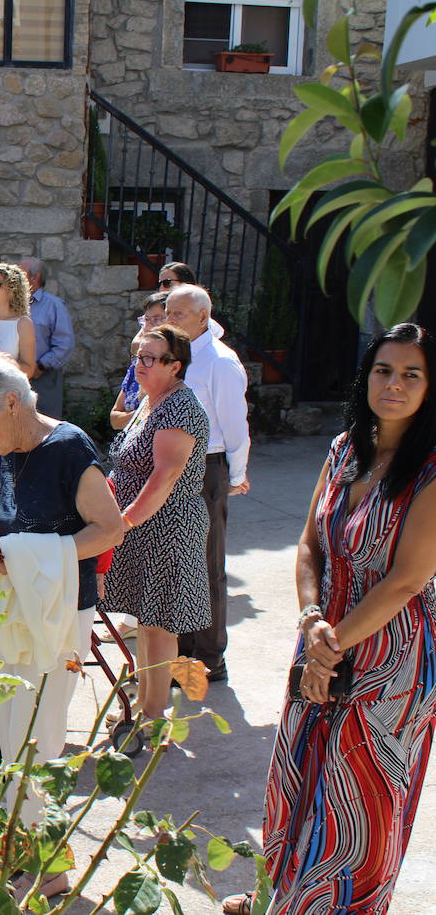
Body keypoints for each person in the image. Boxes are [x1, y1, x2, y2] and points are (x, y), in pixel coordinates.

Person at [222, 324, 436, 915]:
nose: (393, 385)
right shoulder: (345, 447)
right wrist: (312, 619)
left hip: (392, 662)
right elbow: (309, 545)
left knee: (358, 800)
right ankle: (285, 895)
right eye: (383, 371)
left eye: (411, 374)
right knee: (298, 775)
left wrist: (330, 644)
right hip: (323, 637)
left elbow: (406, 580)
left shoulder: (431, 471)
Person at [0, 351, 123, 845]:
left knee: (40, 735)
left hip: (60, 610)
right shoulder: (8, 445)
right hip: (13, 605)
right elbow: (7, 518)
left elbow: (110, 529)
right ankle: (17, 840)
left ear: (12, 402)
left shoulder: (69, 447)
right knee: (10, 729)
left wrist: (35, 556)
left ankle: (42, 853)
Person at [101, 325, 210, 720]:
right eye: (137, 356)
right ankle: (147, 706)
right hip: (142, 527)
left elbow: (163, 478)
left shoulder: (178, 408)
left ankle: (152, 716)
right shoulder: (150, 401)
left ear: (175, 365)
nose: (139, 364)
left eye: (149, 358)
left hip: (167, 528)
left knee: (161, 626)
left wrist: (122, 523)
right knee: (146, 623)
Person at [165, 285, 249, 683]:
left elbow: (235, 425)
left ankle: (210, 656)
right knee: (179, 561)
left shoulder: (220, 362)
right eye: (167, 311)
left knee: (207, 562)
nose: (170, 319)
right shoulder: (177, 358)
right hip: (173, 464)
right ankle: (181, 648)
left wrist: (236, 474)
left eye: (178, 313)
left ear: (202, 317)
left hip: (206, 465)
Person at [18, 258, 75, 419]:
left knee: (44, 428)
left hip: (42, 379)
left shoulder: (54, 306)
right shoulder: (10, 304)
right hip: (14, 379)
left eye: (19, 274)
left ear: (34, 278)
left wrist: (40, 366)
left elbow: (65, 344)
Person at [110, 293, 168, 430]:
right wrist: (141, 416)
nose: (149, 325)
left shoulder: (172, 369)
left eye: (157, 319)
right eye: (147, 319)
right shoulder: (136, 366)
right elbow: (114, 420)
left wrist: (130, 418)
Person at [0, 263, 36, 377]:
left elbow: (29, 369)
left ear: (12, 290)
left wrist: (2, 361)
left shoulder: (23, 323)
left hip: (8, 389)